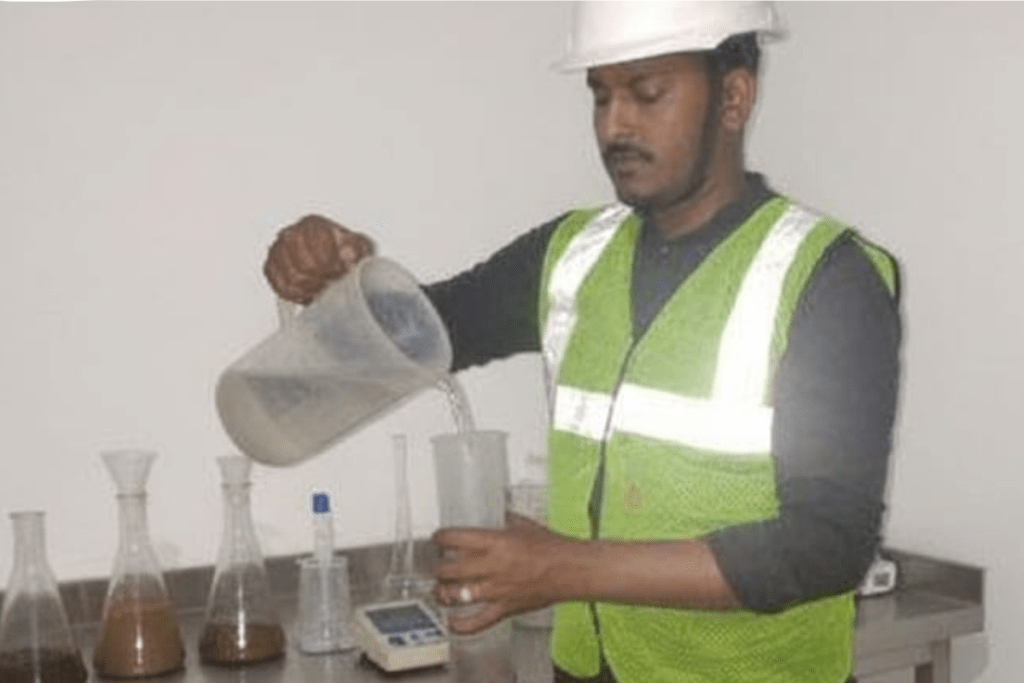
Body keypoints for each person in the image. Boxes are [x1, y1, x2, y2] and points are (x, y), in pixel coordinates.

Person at [261, 3, 902, 682]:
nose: (615, 125)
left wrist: (562, 568)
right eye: (600, 95)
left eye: (647, 93)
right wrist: (334, 281)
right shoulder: (572, 254)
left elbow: (827, 543)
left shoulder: (825, 276)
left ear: (734, 97)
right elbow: (419, 334)